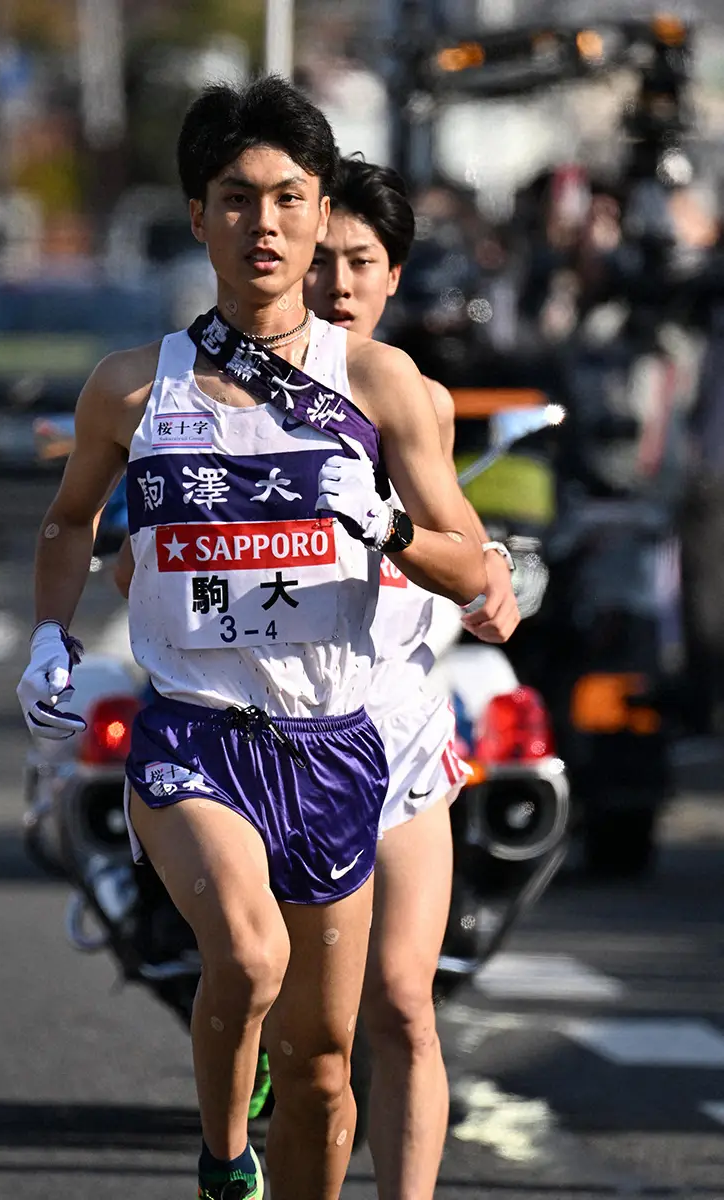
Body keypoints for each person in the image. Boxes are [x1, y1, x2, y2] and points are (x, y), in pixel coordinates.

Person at [16, 77, 486, 1200]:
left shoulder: (384, 388)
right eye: (235, 198)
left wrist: (382, 523)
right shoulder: (133, 389)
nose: (262, 223)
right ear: (197, 215)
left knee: (324, 1069)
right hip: (194, 733)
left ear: (321, 214)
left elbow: (470, 565)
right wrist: (48, 634)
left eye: (287, 198)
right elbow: (71, 518)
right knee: (249, 951)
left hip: (331, 744)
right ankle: (224, 1157)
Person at [302, 156, 520, 1198]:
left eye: (361, 263)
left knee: (399, 998)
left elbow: (464, 537)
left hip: (394, 728)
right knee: (308, 1020)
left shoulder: (412, 396)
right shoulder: (214, 390)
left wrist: (496, 575)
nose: (336, 285)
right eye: (321, 259)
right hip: (269, 733)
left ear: (393, 279)